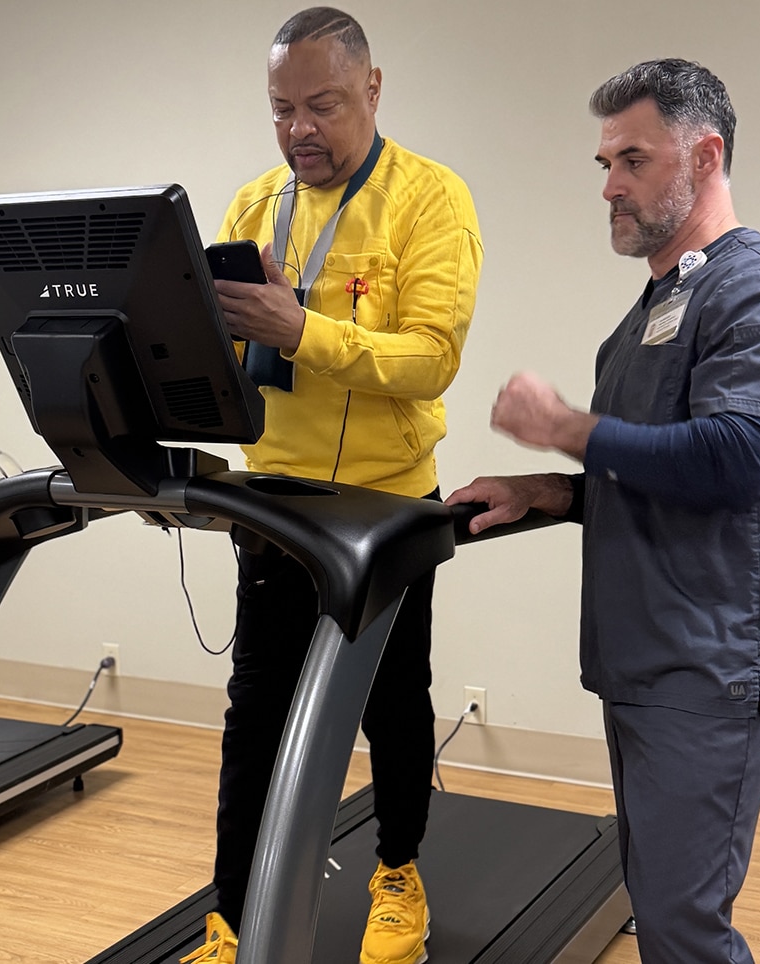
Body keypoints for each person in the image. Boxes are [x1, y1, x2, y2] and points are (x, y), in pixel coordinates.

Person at [448, 59, 760, 964]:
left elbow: (737, 458)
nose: (610, 187)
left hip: (711, 663)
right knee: (661, 907)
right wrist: (547, 492)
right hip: (647, 654)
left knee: (681, 928)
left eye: (634, 160)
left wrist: (565, 430)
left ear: (705, 156)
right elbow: (664, 474)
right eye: (603, 165)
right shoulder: (659, 306)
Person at [184, 8, 482, 964]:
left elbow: (430, 359)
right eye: (282, 110)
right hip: (276, 500)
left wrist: (298, 326)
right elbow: (216, 355)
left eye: (323, 105)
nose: (301, 129)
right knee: (254, 712)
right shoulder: (251, 204)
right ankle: (231, 915)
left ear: (374, 90)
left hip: (390, 503)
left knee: (394, 700)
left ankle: (399, 871)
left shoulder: (430, 200)